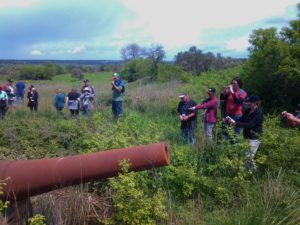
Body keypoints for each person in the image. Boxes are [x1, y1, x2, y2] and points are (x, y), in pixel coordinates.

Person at [226, 94, 264, 172]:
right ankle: (247, 174)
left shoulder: (258, 113)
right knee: (246, 157)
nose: (247, 103)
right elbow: (241, 119)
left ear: (255, 102)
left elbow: (250, 125)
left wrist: (235, 123)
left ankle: (254, 174)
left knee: (248, 158)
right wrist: (231, 120)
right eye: (247, 102)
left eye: (249, 102)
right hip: (246, 137)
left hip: (254, 139)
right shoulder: (247, 111)